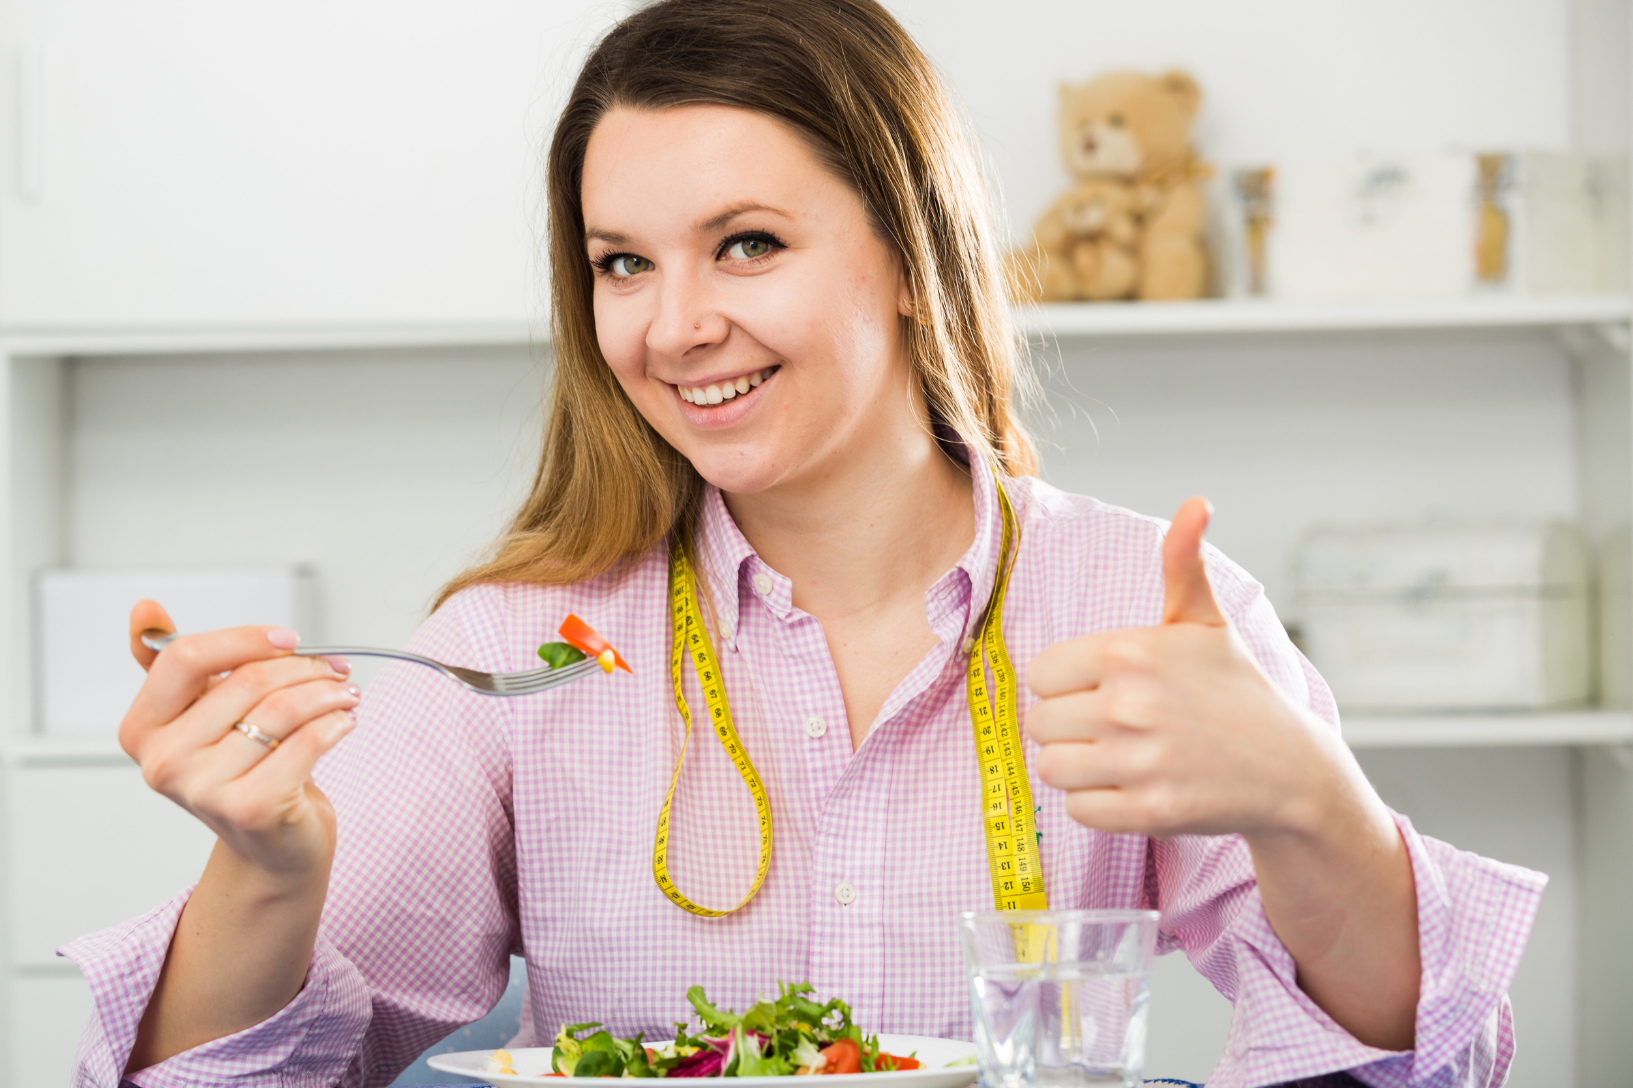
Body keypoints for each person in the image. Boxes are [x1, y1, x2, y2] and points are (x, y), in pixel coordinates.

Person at [67, 3, 1543, 1087]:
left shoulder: (1145, 607)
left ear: (908, 253)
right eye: (622, 263)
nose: (674, 322)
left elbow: (1420, 1071)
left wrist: (1313, 810)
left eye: (748, 243)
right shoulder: (513, 648)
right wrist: (262, 871)